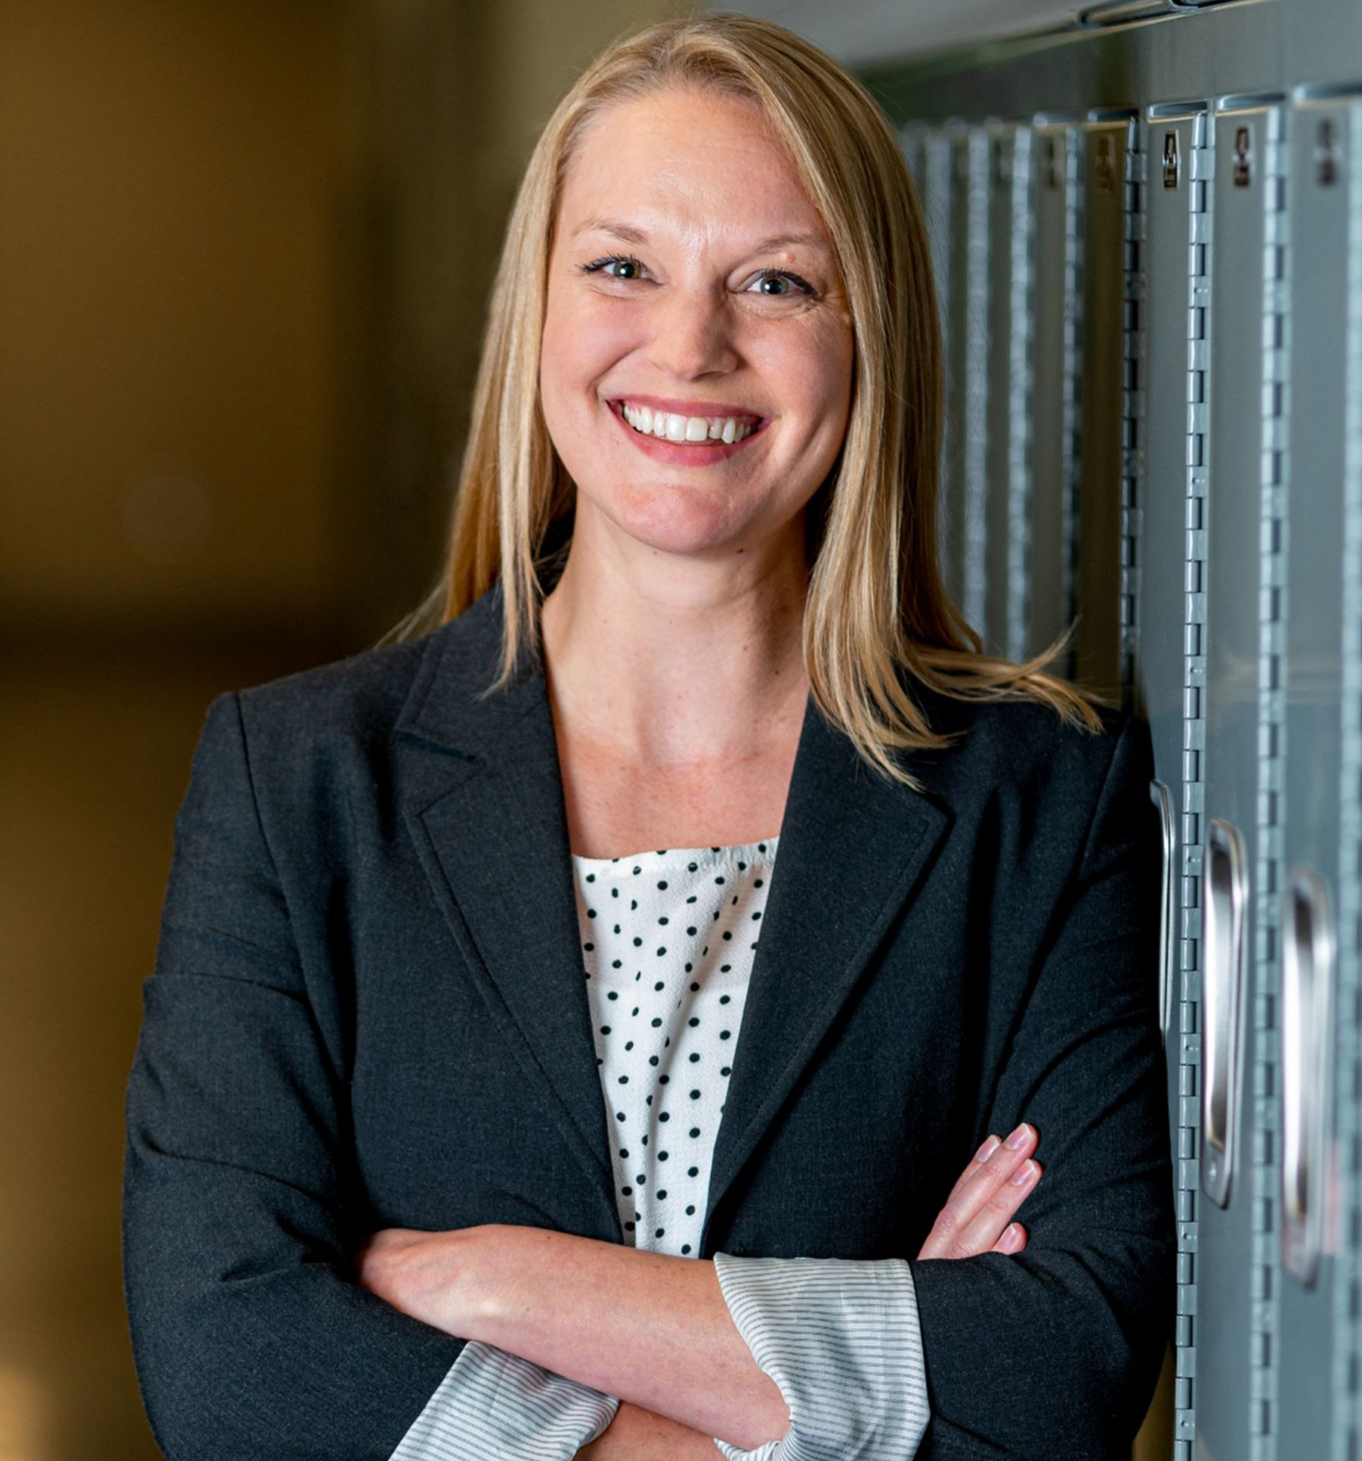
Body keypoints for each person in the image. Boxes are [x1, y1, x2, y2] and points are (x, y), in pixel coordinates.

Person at [121, 13, 1174, 1460]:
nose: (691, 344)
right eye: (622, 266)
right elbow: (230, 1364)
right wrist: (856, 1373)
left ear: (870, 340)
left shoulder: (1041, 798)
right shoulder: (298, 782)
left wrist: (491, 1281)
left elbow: (1065, 1365)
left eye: (777, 281)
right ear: (536, 316)